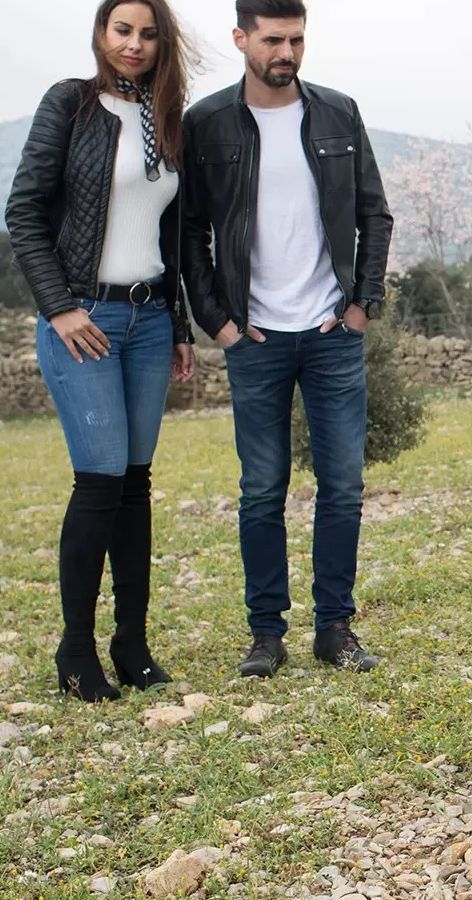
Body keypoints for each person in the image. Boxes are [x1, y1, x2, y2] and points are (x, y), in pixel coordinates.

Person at [181, 0, 393, 677]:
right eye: (273, 39)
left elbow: (373, 214)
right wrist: (220, 324)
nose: (287, 52)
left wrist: (361, 304)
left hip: (332, 332)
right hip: (257, 339)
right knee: (261, 490)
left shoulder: (337, 112)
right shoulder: (207, 123)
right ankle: (265, 635)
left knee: (343, 487)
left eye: (297, 39)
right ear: (241, 38)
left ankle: (335, 629)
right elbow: (190, 235)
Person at [6, 0, 197, 702]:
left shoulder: (168, 119)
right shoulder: (70, 105)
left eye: (148, 33)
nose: (135, 44)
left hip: (148, 321)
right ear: (101, 33)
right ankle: (75, 651)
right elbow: (23, 210)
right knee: (99, 481)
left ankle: (133, 646)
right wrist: (58, 307)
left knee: (135, 483)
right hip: (83, 318)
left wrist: (179, 326)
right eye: (123, 30)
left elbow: (170, 235)